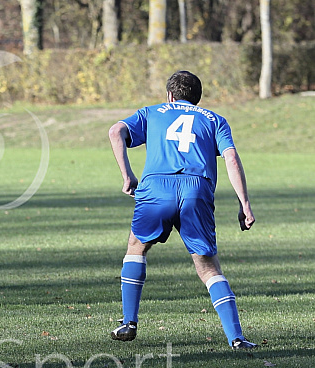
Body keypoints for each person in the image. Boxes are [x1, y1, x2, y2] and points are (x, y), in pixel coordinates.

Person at [108, 70, 257, 350]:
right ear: (197, 99)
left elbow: (116, 131)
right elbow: (231, 157)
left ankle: (129, 321)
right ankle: (236, 338)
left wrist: (127, 175)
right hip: (196, 188)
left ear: (170, 95)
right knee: (208, 266)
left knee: (136, 246)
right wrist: (244, 204)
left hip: (156, 187)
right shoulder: (215, 120)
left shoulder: (152, 112)